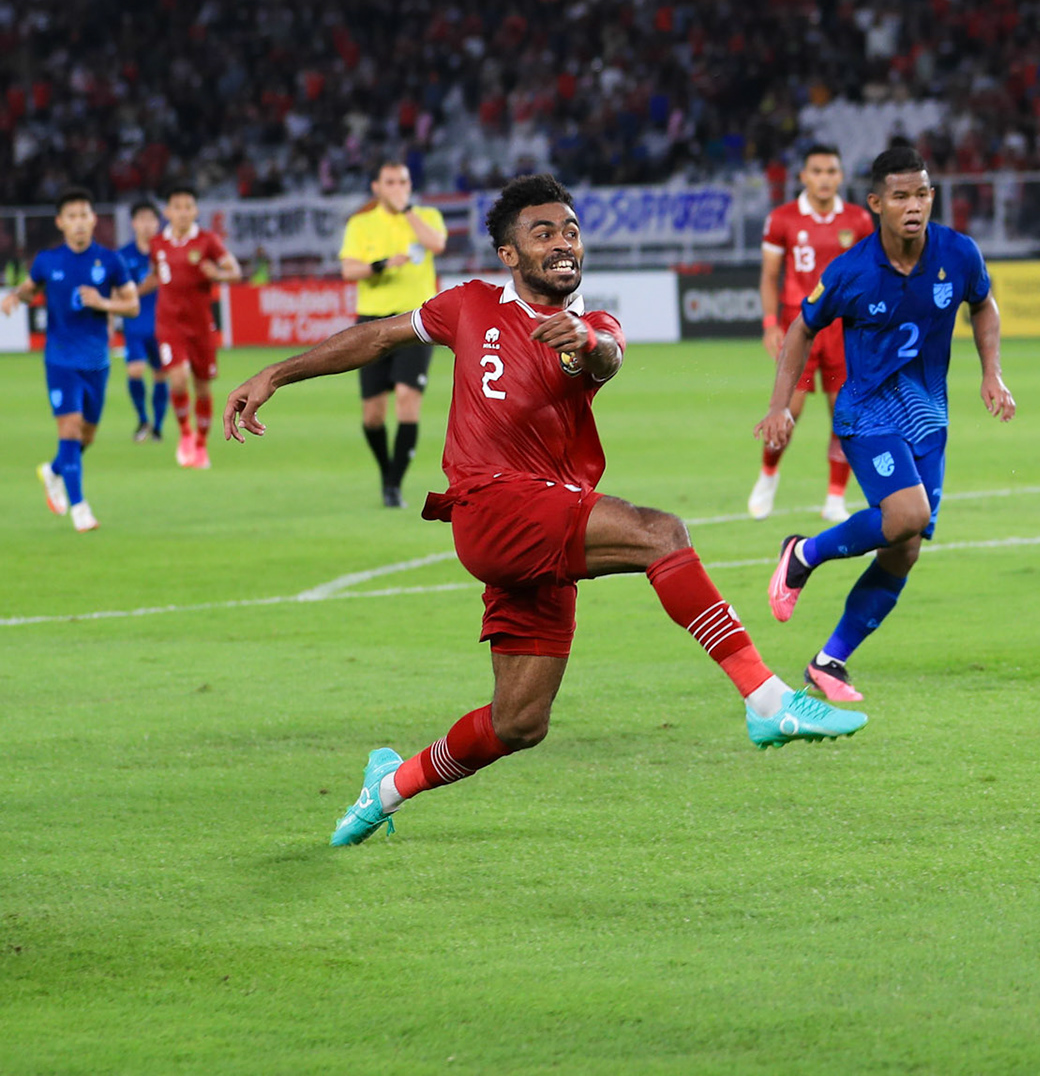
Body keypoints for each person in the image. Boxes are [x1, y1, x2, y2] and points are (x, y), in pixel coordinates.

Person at [224, 173, 866, 848]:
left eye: (571, 232)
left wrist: (586, 346)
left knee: (520, 721)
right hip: (489, 505)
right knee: (660, 533)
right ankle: (766, 700)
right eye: (544, 233)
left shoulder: (591, 323)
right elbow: (378, 337)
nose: (564, 243)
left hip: (539, 522)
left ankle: (386, 785)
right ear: (509, 254)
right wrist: (274, 374)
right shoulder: (469, 304)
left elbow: (607, 358)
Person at [756, 146, 1014, 703]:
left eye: (922, 193)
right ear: (876, 204)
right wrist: (781, 405)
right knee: (909, 514)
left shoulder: (958, 254)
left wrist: (992, 372)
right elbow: (801, 329)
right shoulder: (851, 271)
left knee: (906, 546)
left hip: (927, 416)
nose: (913, 205)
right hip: (866, 412)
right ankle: (804, 554)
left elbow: (985, 306)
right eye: (900, 196)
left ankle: (830, 661)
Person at [0, 188, 138, 532]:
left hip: (97, 362)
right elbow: (31, 288)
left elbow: (132, 306)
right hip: (60, 360)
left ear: (94, 219)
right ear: (61, 223)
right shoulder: (48, 260)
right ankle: (80, 509)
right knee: (70, 429)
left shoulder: (110, 261)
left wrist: (103, 304)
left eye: (84, 215)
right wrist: (17, 297)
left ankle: (53, 472)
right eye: (71, 217)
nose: (79, 223)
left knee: (86, 437)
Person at [748, 144, 872, 524]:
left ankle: (835, 498)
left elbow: (869, 276)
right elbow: (770, 276)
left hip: (843, 329)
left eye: (831, 171)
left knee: (844, 413)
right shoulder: (783, 219)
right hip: (799, 326)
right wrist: (770, 323)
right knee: (790, 410)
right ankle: (768, 475)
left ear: (840, 176)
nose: (824, 178)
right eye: (816, 171)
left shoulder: (860, 220)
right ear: (803, 176)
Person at [339, 160, 448, 507]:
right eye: (391, 182)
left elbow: (438, 244)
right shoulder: (361, 223)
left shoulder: (426, 215)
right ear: (376, 187)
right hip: (371, 322)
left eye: (403, 181)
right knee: (372, 414)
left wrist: (408, 212)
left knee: (406, 399)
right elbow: (348, 269)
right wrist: (382, 265)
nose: (398, 187)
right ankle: (387, 472)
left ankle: (394, 486)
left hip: (416, 320)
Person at [152, 183, 241, 468]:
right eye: (176, 207)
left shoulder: (207, 241)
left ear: (195, 211)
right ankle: (185, 435)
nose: (182, 213)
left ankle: (202, 445)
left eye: (188, 207)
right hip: (169, 325)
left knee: (202, 388)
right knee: (177, 379)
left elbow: (235, 272)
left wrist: (216, 273)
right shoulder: (158, 243)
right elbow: (157, 275)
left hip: (201, 326)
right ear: (167, 211)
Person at [117, 200, 169, 442]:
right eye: (142, 220)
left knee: (161, 375)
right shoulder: (122, 256)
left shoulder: (166, 251)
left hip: (163, 323)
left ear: (158, 223)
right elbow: (114, 290)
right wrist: (139, 290)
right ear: (133, 223)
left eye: (151, 220)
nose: (147, 225)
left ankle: (157, 427)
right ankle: (142, 419)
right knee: (135, 371)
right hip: (135, 325)